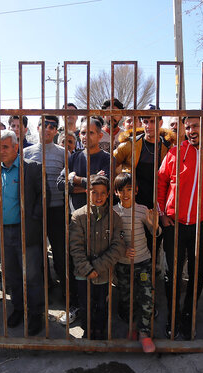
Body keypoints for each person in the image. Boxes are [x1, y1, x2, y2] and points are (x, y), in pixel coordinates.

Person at [157, 115, 203, 339]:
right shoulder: (175, 152)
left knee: (197, 274)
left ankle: (189, 316)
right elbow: (160, 184)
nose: (191, 130)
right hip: (174, 225)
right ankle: (173, 317)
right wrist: (162, 215)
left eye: (195, 126)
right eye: (187, 127)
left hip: (202, 226)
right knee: (173, 273)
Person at [0, 130, 46, 336]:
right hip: (4, 232)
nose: (0, 151)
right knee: (11, 275)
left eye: (5, 147)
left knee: (32, 275)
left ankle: (35, 313)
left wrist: (33, 220)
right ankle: (19, 308)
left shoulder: (32, 169)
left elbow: (42, 196)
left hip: (26, 232)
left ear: (16, 148)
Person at [114, 104, 175, 274]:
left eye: (153, 121)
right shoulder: (130, 145)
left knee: (154, 241)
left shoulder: (168, 147)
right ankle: (130, 277)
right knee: (134, 241)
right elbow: (112, 162)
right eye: (145, 121)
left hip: (157, 203)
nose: (149, 125)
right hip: (135, 203)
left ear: (160, 122)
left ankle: (149, 278)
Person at [69, 174, 124, 340]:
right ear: (87, 192)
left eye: (102, 193)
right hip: (82, 274)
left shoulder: (115, 218)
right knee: (86, 305)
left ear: (108, 194)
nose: (98, 197)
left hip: (104, 273)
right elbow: (75, 247)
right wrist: (87, 269)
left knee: (103, 304)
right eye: (94, 192)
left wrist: (97, 267)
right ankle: (88, 330)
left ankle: (100, 330)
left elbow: (118, 246)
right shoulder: (78, 217)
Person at [24, 115, 68, 307]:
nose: (48, 129)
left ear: (56, 130)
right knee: (37, 253)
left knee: (60, 253)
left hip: (58, 210)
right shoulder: (25, 152)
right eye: (45, 125)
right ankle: (44, 289)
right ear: (39, 127)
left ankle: (67, 291)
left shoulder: (63, 153)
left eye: (53, 126)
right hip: (35, 213)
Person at [113, 172, 158, 352]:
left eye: (130, 190)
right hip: (123, 264)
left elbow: (156, 233)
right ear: (115, 192)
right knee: (127, 298)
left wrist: (152, 222)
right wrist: (122, 249)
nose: (126, 194)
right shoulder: (113, 213)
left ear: (136, 190)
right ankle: (132, 326)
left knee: (147, 297)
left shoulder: (142, 209)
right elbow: (112, 239)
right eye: (122, 190)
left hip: (143, 261)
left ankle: (144, 333)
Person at [57, 117, 113, 211]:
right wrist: (90, 184)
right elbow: (60, 184)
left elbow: (104, 186)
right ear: (79, 135)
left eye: (91, 133)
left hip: (100, 215)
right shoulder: (73, 158)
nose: (85, 136)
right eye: (83, 133)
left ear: (100, 136)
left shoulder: (108, 159)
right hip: (75, 216)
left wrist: (74, 179)